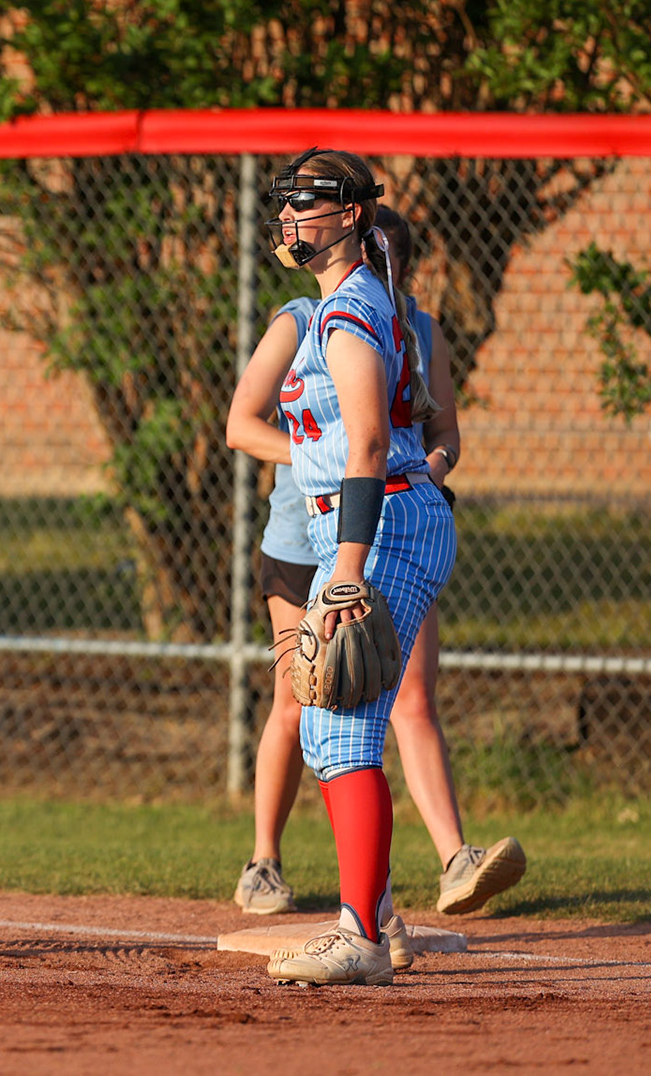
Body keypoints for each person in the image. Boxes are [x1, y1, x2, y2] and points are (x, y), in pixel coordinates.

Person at [228, 207, 526, 923]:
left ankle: (442, 866)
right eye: (377, 248)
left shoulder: (414, 328)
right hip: (305, 536)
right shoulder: (307, 319)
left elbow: (441, 430)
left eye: (396, 253)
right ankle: (265, 861)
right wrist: (324, 460)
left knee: (402, 696)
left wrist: (428, 465)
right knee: (305, 699)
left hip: (379, 528)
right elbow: (244, 426)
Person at [241, 149, 456, 986]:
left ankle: (362, 932)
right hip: (381, 519)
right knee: (337, 725)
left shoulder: (349, 308)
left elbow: (368, 441)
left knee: (339, 724)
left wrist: (347, 568)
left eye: (307, 205)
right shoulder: (351, 301)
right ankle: (370, 922)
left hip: (382, 524)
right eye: (288, 205)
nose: (290, 218)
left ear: (352, 218)